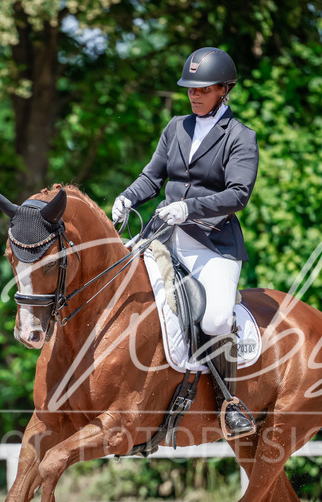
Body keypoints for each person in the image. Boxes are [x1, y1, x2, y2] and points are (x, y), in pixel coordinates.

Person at [112, 46, 258, 439]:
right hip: (161, 234)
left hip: (212, 243)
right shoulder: (176, 127)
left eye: (203, 89)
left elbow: (238, 194)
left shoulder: (241, 137)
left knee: (214, 319)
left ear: (224, 90)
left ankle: (229, 402)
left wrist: (188, 208)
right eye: (190, 89)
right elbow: (151, 177)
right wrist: (128, 197)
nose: (194, 95)